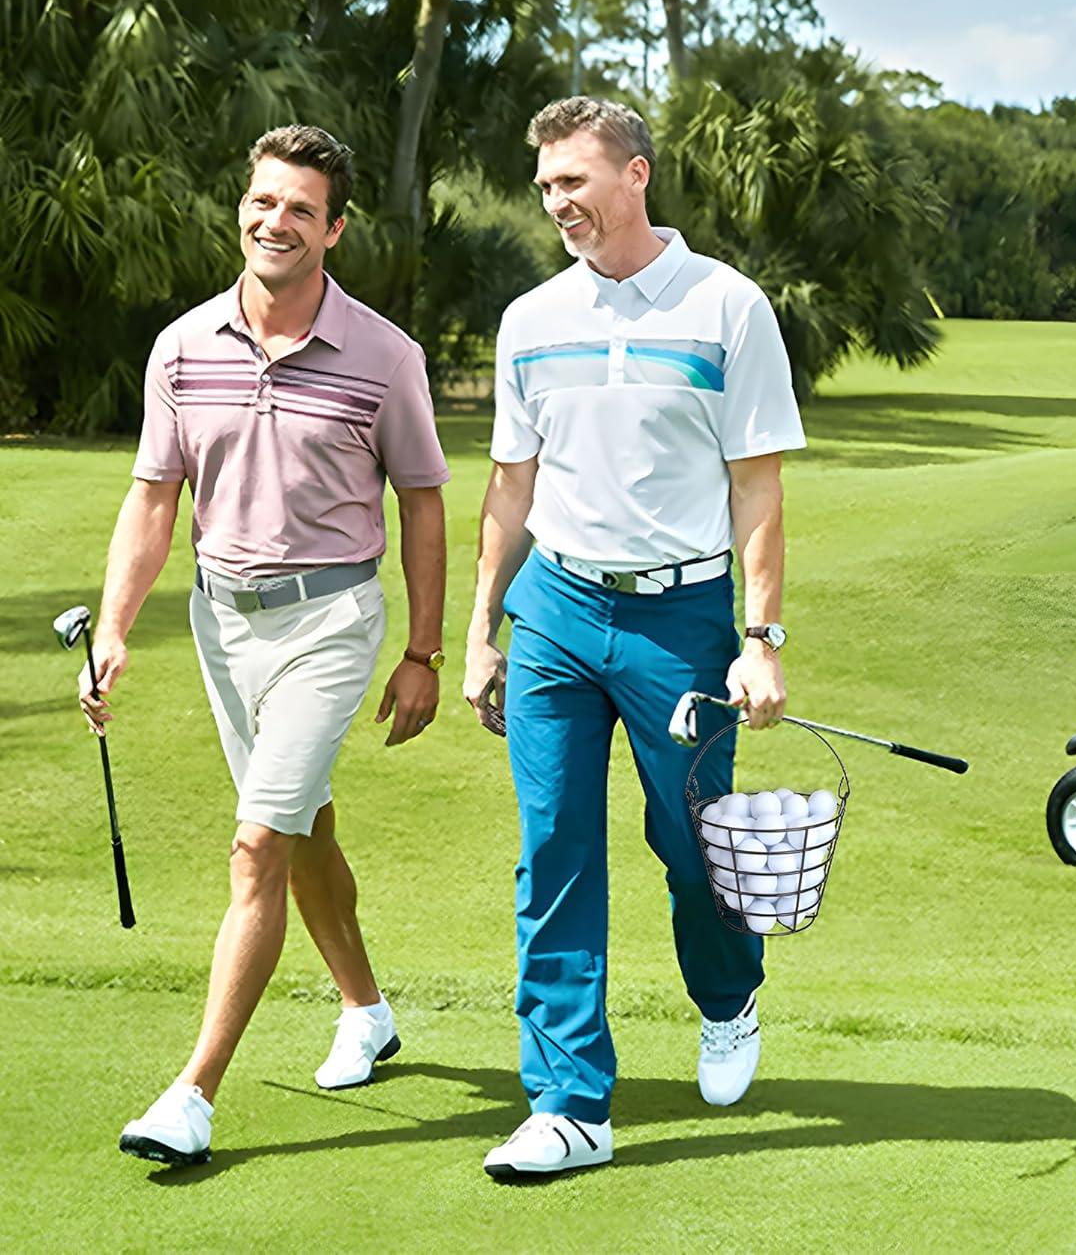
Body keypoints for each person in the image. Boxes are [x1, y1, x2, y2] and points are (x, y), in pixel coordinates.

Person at [80, 125, 450, 1167]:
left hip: (331, 620)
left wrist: (421, 651)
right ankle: (368, 1010)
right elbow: (154, 500)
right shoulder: (183, 345)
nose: (274, 221)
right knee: (302, 830)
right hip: (220, 623)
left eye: (299, 208)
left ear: (334, 228)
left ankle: (191, 1098)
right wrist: (113, 628)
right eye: (262, 202)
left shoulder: (385, 355)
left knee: (256, 846)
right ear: (240, 208)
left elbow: (423, 504)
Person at [463, 96, 805, 1178]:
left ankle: (727, 993)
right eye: (546, 186)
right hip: (557, 611)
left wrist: (760, 638)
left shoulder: (727, 307)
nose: (557, 202)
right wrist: (481, 633)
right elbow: (509, 491)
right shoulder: (531, 320)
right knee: (555, 849)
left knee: (694, 845)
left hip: (681, 619)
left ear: (637, 176)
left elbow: (757, 486)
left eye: (575, 180)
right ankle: (570, 1102)